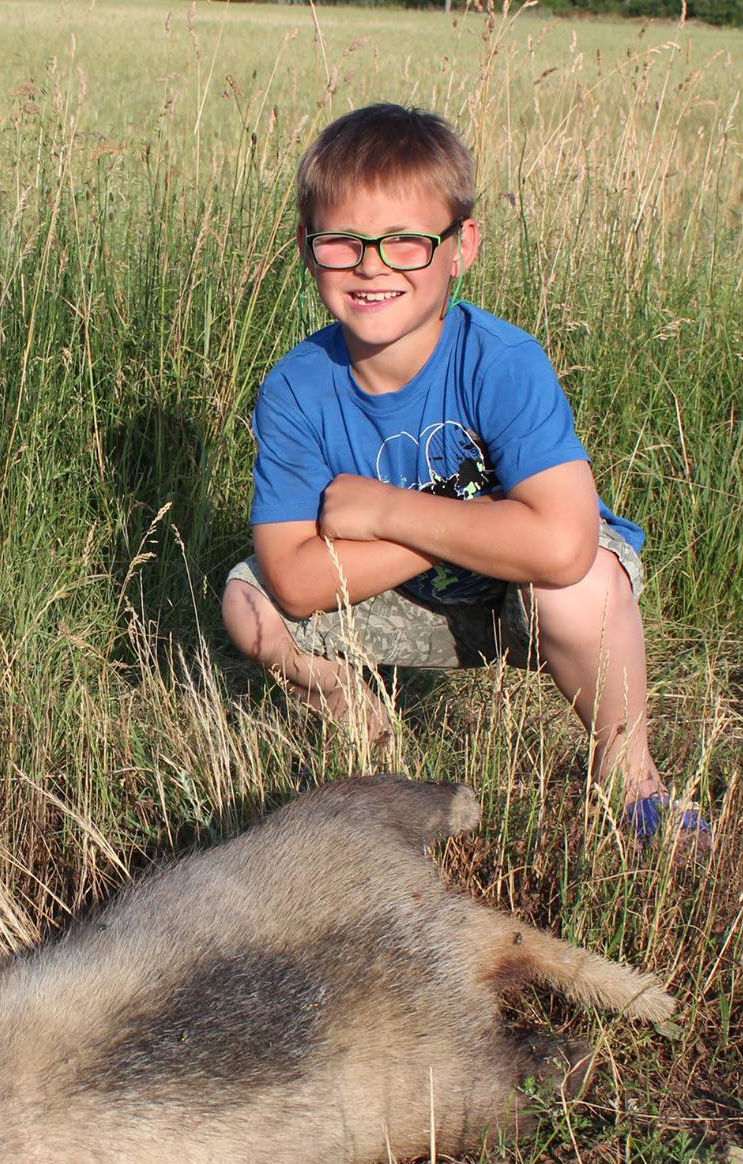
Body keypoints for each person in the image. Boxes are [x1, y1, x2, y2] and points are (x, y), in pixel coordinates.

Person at [220, 104, 710, 855]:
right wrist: (471, 523)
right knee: (245, 601)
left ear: (461, 246)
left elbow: (562, 545)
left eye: (407, 243)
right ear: (306, 248)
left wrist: (386, 510)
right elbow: (291, 577)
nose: (372, 266)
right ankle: (360, 722)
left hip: (528, 595)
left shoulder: (502, 362)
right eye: (343, 242)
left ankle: (631, 779)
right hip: (409, 599)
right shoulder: (297, 388)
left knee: (580, 587)